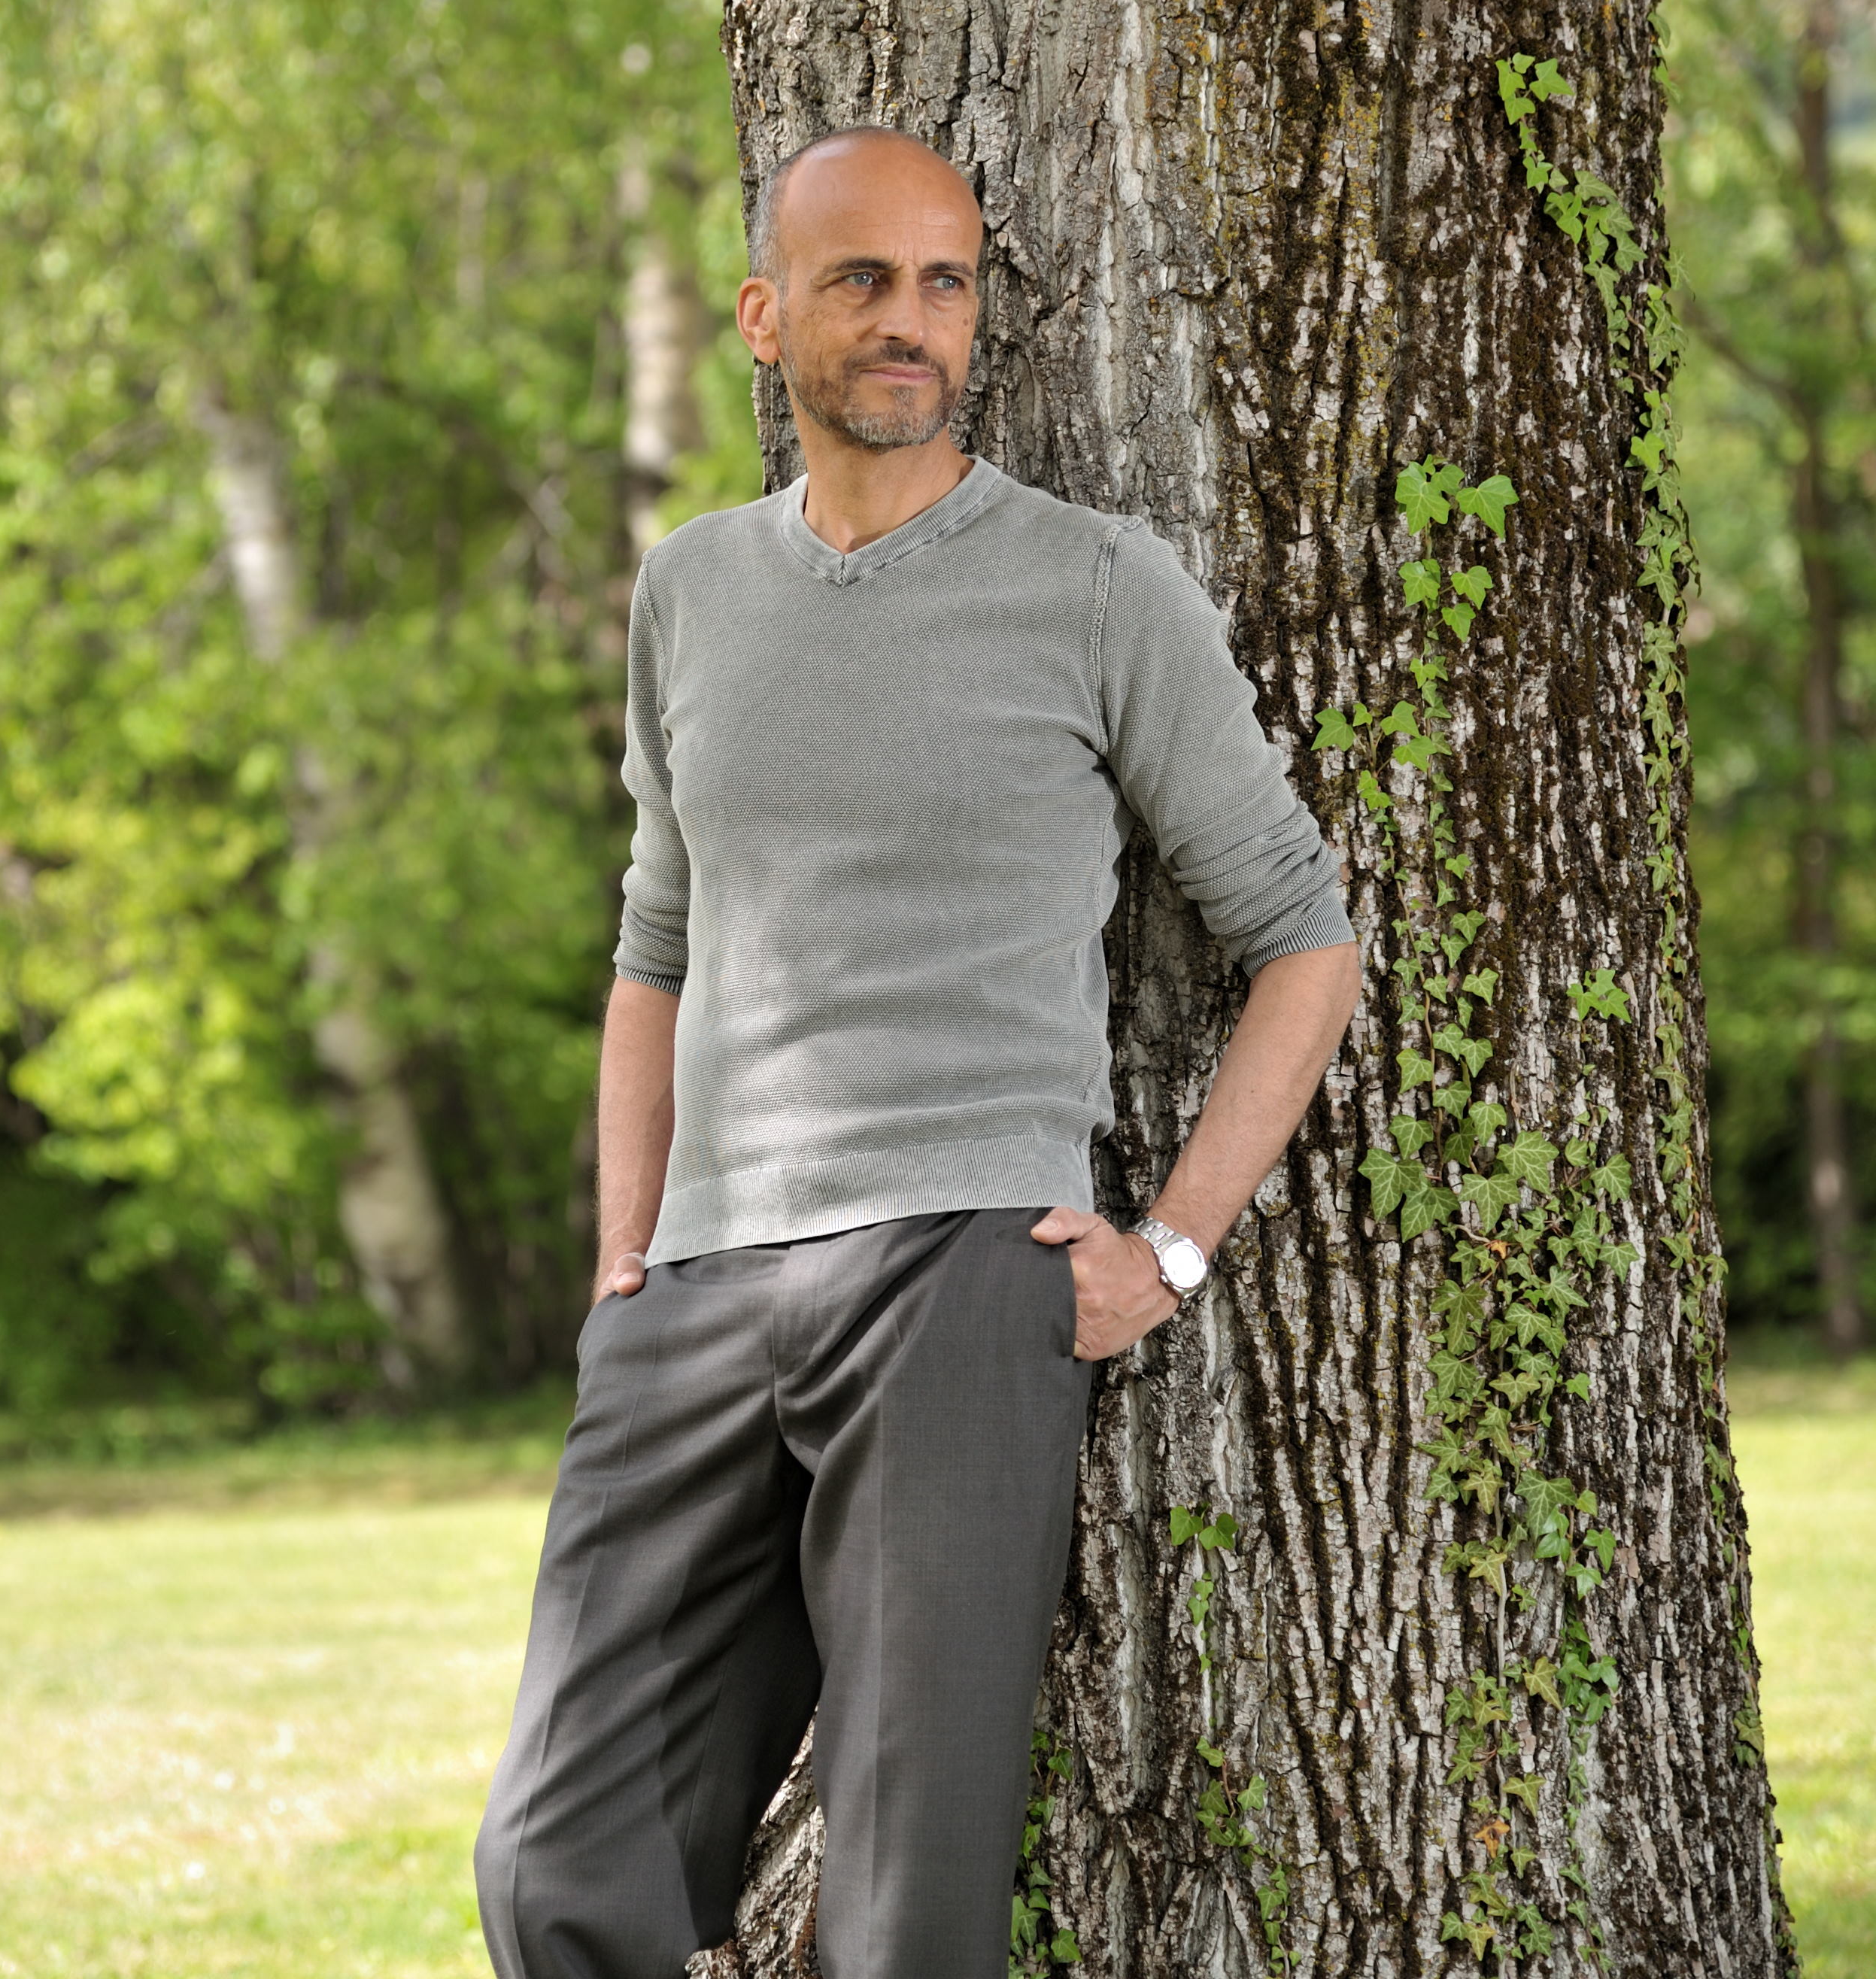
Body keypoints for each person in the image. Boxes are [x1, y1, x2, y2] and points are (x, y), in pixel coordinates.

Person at [472, 127, 1364, 1979]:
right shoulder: (688, 590)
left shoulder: (1094, 585)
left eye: (943, 283)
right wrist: (625, 1256)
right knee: (558, 1859)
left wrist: (1170, 1250)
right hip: (700, 1283)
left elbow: (1303, 938)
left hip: (960, 1273)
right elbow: (655, 945)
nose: (908, 320)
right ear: (762, 316)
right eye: (861, 279)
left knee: (902, 1903)